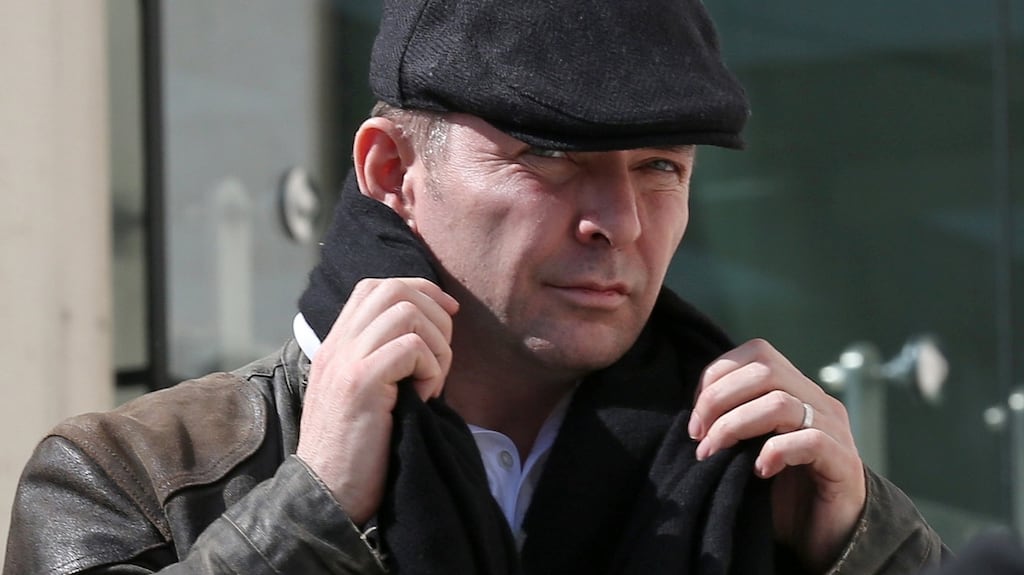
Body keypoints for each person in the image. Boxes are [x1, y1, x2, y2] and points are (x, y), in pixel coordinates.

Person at [4, 1, 948, 573]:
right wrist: (313, 506)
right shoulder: (126, 478)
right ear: (389, 168)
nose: (616, 219)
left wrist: (862, 548)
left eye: (660, 165)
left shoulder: (774, 483)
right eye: (549, 154)